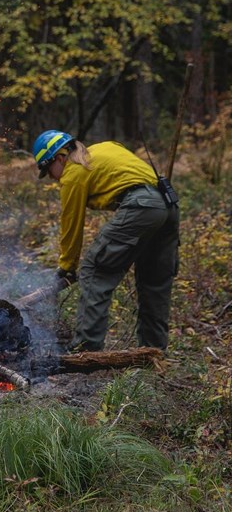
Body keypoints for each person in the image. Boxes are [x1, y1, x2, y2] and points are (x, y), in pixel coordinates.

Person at [32, 129, 180, 351]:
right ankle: (153, 351)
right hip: (168, 206)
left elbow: (72, 223)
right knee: (154, 282)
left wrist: (67, 267)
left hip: (142, 206)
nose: (52, 177)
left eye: (48, 170)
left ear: (60, 157)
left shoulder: (73, 172)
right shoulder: (107, 146)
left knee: (95, 270)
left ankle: (86, 349)